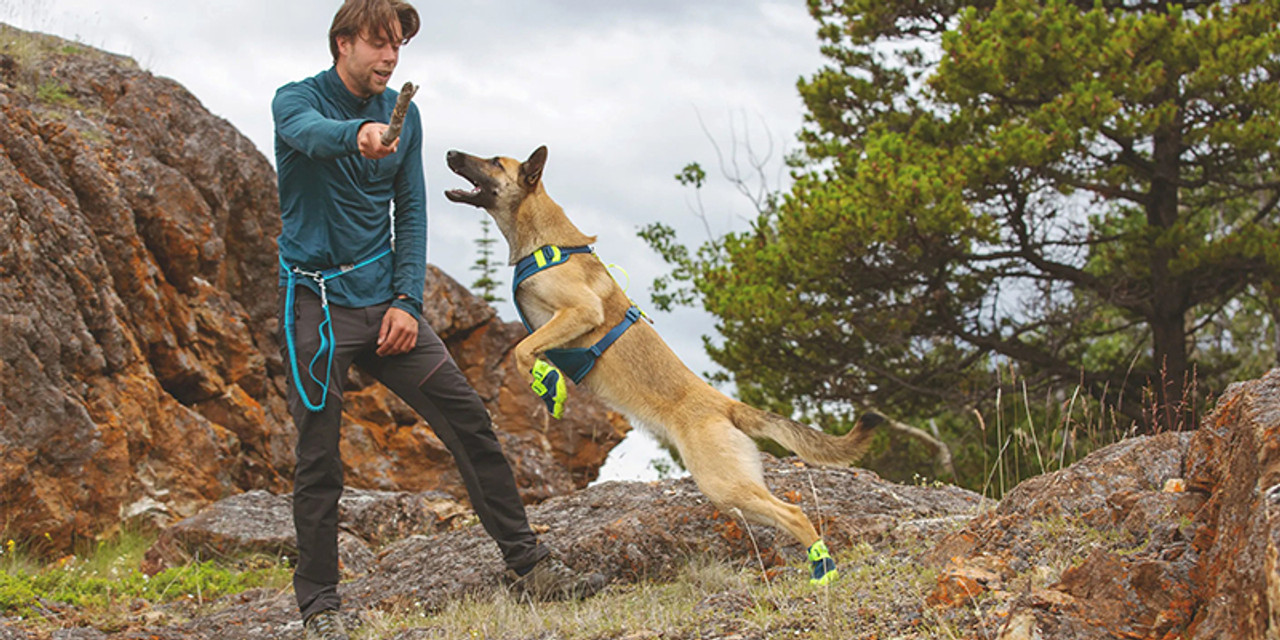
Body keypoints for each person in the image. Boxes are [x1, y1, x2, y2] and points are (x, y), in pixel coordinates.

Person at [271, 1, 604, 637]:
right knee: (319, 458)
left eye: (398, 48)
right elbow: (308, 134)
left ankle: (530, 568)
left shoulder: (408, 113)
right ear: (343, 43)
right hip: (314, 306)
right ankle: (321, 608)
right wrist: (358, 136)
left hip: (386, 304)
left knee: (471, 423)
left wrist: (406, 302)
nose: (390, 59)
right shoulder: (295, 100)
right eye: (379, 45)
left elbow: (411, 211)